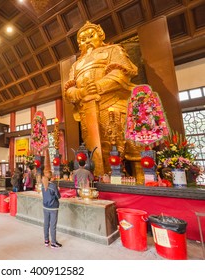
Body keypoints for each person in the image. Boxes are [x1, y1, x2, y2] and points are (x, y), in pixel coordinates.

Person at [64, 21, 141, 177]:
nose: (87, 41)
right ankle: (102, 177)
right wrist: (79, 93)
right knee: (98, 149)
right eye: (82, 39)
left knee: (128, 143)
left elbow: (120, 73)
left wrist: (99, 86)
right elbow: (68, 90)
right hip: (88, 110)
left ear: (101, 36)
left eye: (91, 36)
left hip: (111, 102)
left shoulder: (112, 50)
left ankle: (142, 176)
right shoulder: (76, 65)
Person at [41, 170, 62, 249]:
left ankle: (46, 241)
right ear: (51, 176)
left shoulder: (43, 185)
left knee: (46, 224)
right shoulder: (53, 186)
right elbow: (58, 196)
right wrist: (58, 189)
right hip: (53, 207)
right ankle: (53, 243)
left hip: (45, 207)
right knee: (53, 225)